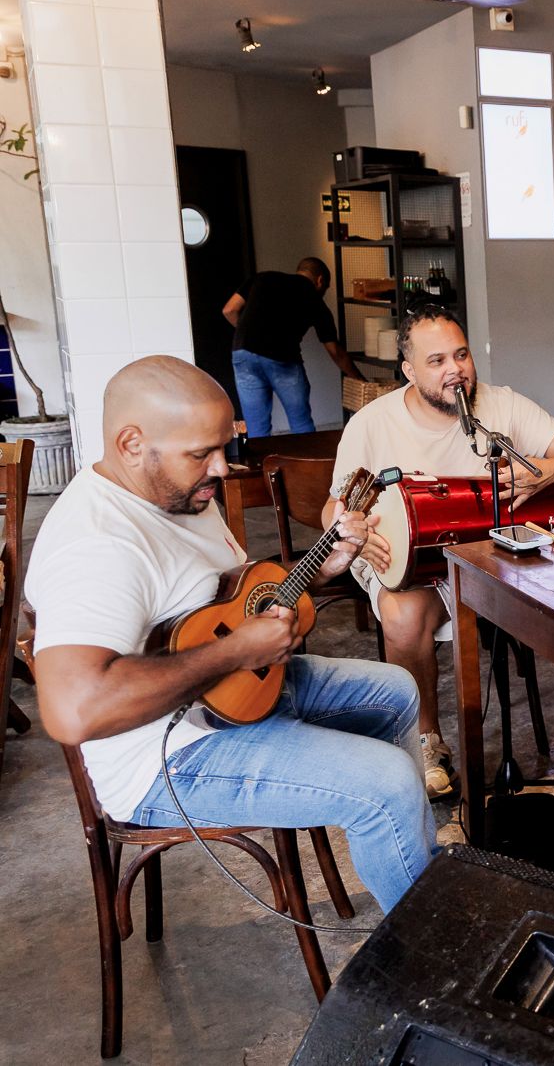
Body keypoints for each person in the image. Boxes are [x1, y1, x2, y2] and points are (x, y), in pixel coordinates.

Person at [28, 356, 433, 913]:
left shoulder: (178, 491)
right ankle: (430, 960)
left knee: (396, 691)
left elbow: (230, 600)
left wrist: (325, 567)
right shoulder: (97, 546)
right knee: (385, 785)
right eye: (202, 454)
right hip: (167, 759)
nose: (222, 468)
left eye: (226, 447)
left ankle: (416, 868)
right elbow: (75, 710)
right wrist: (238, 650)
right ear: (130, 444)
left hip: (237, 694)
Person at [326, 305, 554, 798]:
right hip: (409, 561)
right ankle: (426, 740)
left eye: (461, 354)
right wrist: (355, 534)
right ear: (408, 371)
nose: (456, 369)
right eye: (437, 361)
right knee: (403, 613)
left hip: (495, 550)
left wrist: (546, 469)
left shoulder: (503, 405)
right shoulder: (372, 423)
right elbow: (335, 508)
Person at [222, 257, 366, 438]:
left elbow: (229, 309)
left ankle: (262, 464)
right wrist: (360, 379)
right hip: (283, 360)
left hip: (243, 353)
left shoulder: (262, 278)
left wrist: (249, 335)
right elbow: (335, 352)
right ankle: (306, 464)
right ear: (320, 280)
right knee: (300, 422)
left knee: (256, 427)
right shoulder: (314, 299)